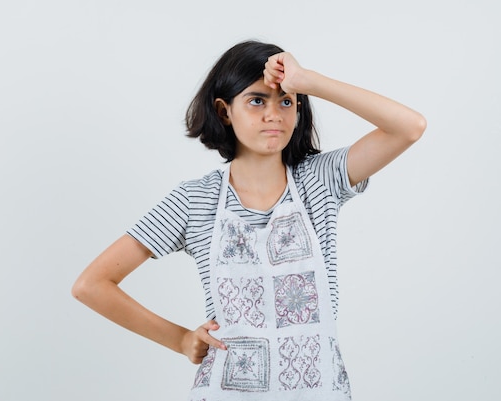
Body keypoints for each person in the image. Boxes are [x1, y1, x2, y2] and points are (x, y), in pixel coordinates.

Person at [72, 40, 426, 400]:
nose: (274, 115)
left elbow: (409, 127)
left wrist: (309, 81)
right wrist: (179, 339)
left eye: (287, 101)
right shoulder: (195, 201)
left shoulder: (321, 181)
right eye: (257, 100)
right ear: (224, 111)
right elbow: (92, 284)